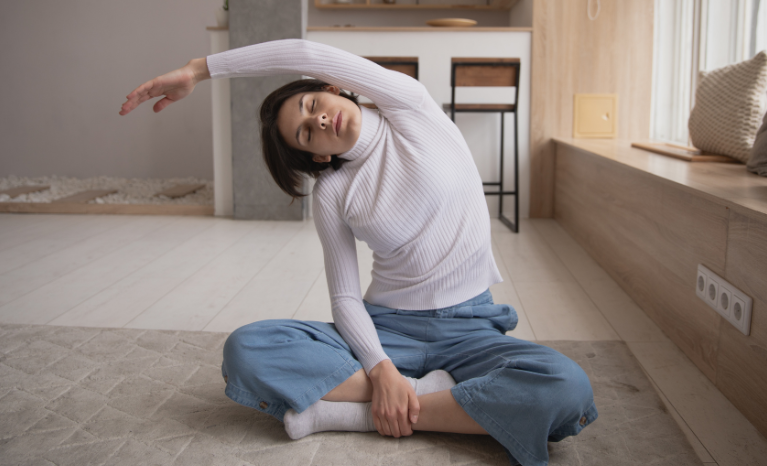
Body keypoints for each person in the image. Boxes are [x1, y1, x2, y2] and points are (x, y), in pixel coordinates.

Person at [119, 39, 597, 466]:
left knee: (567, 388)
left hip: (470, 330)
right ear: (318, 156)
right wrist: (379, 365)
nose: (319, 119)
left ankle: (359, 413)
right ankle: (430, 399)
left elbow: (304, 52)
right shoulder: (334, 191)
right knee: (247, 349)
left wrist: (199, 69)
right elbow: (345, 298)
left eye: (311, 103)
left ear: (336, 88)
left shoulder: (410, 108)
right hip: (388, 330)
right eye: (306, 133)